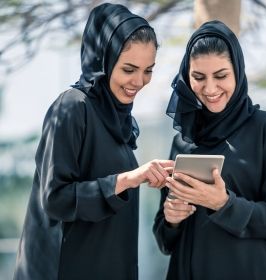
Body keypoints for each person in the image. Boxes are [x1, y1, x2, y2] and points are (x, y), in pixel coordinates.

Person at [13, 3, 174, 280]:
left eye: (148, 70)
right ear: (103, 60)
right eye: (128, 69)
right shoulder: (72, 108)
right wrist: (127, 180)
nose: (139, 81)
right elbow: (55, 198)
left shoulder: (119, 124)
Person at [153, 20, 266, 280]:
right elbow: (165, 241)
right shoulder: (183, 141)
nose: (210, 89)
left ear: (238, 72)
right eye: (198, 77)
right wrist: (172, 219)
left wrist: (224, 204)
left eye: (221, 76)